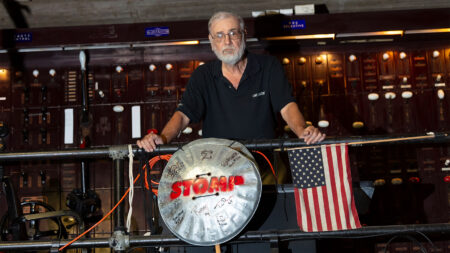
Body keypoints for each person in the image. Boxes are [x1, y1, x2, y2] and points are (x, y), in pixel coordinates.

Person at [137, 11, 325, 152]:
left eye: (232, 33)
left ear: (243, 34)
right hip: (220, 169)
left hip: (264, 160)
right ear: (211, 41)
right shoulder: (203, 75)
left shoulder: (269, 66)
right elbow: (184, 114)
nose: (227, 41)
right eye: (219, 35)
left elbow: (286, 105)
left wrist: (302, 131)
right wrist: (162, 137)